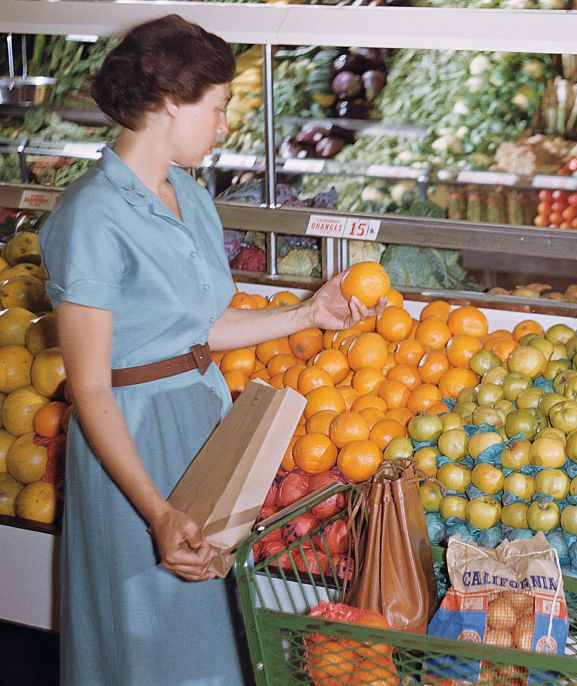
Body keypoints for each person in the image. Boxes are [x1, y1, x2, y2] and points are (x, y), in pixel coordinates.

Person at [38, 15, 384, 686]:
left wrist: (312, 310)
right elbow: (92, 388)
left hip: (204, 431)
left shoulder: (192, 198)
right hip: (131, 448)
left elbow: (201, 327)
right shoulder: (90, 217)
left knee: (212, 641)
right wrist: (158, 512)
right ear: (171, 100)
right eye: (218, 106)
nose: (226, 125)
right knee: (143, 642)